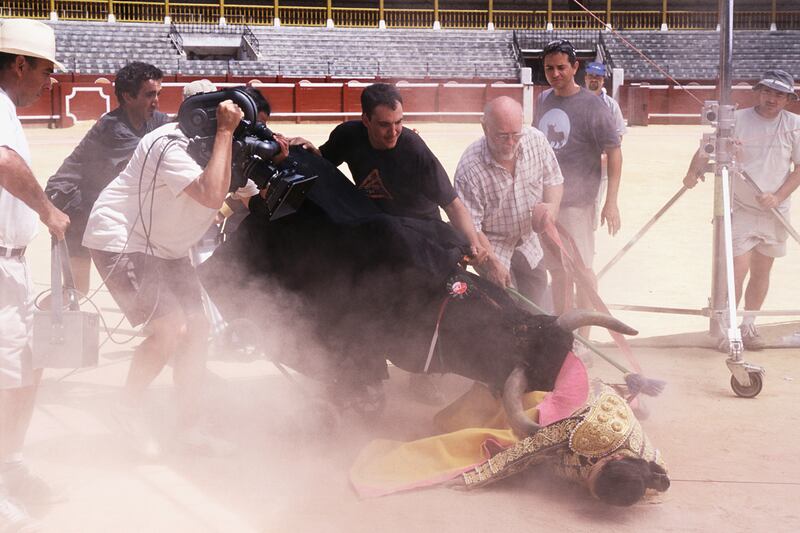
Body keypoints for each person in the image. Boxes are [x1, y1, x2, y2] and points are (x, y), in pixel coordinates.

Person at [82, 89, 247, 457]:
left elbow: (252, 193)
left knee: (198, 329)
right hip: (123, 238)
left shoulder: (226, 143)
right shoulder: (169, 143)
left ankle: (188, 425)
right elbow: (209, 192)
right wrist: (224, 134)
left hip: (168, 248)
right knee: (170, 328)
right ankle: (124, 408)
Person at [320, 83, 487, 403]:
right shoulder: (347, 136)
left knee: (429, 307)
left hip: (423, 237)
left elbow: (453, 204)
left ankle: (430, 376)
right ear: (365, 120)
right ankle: (364, 377)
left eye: (398, 123)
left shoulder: (414, 148)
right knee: (359, 298)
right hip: (380, 236)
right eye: (384, 125)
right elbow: (321, 163)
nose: (393, 131)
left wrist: (473, 242)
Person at [351, 376, 670, 506]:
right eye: (593, 472)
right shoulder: (591, 431)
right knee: (498, 436)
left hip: (592, 413)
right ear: (613, 457)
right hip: (561, 410)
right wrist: (477, 477)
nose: (587, 476)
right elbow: (530, 447)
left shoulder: (646, 471)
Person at [0, 18, 71, 531]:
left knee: (26, 367)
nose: (49, 82)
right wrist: (47, 210)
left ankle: (11, 464)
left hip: (11, 264)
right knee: (8, 379)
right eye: (45, 70)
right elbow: (2, 162)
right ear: (19, 64)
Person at [683, 70, 800, 350]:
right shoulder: (738, 119)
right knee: (738, 268)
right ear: (759, 91)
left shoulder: (795, 124)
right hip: (742, 207)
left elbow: (799, 168)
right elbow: (707, 148)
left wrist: (778, 195)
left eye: (780, 94)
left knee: (762, 270)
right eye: (769, 92)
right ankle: (728, 326)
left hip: (775, 209)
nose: (773, 99)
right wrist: (692, 172)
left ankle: (749, 324)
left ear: (788, 98)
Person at [44, 61, 169, 296]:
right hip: (77, 213)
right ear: (128, 97)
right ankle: (37, 321)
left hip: (108, 214)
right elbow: (155, 157)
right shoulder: (113, 129)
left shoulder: (155, 120)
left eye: (158, 94)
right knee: (75, 291)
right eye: (149, 94)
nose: (156, 101)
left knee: (80, 290)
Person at [534, 40, 623, 331]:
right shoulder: (544, 100)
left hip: (578, 202)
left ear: (575, 67)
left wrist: (611, 201)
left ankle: (584, 333)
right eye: (549, 68)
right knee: (557, 271)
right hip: (548, 201)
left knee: (582, 269)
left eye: (562, 67)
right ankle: (563, 332)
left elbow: (614, 151)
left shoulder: (593, 105)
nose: (555, 73)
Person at [454, 96, 563, 306]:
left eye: (516, 134)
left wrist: (552, 208)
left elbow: (554, 180)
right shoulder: (469, 169)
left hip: (529, 243)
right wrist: (492, 262)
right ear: (485, 128)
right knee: (506, 309)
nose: (510, 143)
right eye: (502, 136)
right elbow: (471, 227)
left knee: (537, 300)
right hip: (493, 247)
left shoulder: (536, 140)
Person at [584, 61, 626, 240]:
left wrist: (603, 152)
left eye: (598, 78)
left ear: (603, 81)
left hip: (600, 165)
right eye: (591, 77)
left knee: (593, 202)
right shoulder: (576, 100)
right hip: (577, 163)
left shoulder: (611, 106)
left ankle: (587, 241)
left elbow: (618, 137)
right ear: (585, 78)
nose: (594, 80)